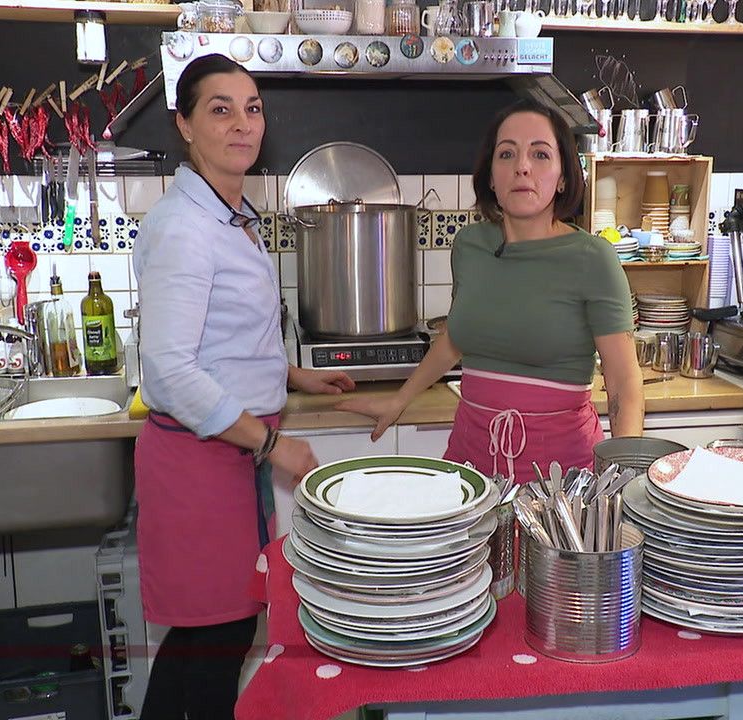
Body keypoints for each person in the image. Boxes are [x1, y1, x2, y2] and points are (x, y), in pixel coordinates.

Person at [132, 54, 354, 720]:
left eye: (252, 108)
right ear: (185, 126)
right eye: (220, 109)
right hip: (204, 462)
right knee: (210, 643)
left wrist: (289, 374)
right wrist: (270, 445)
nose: (242, 124)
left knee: (215, 640)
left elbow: (218, 339)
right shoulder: (185, 229)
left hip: (228, 457)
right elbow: (169, 371)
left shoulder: (230, 211)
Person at [338, 100, 643, 483]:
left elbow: (623, 383)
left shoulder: (593, 258)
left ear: (564, 176)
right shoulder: (469, 246)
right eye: (507, 153)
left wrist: (626, 478)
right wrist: (400, 398)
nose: (522, 166)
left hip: (558, 475)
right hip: (470, 461)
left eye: (540, 154)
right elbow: (455, 338)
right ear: (492, 176)